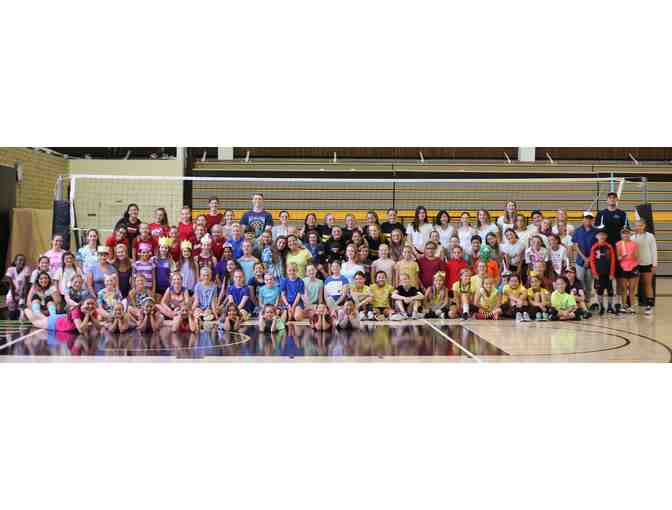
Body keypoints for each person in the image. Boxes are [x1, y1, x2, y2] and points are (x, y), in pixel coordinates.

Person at [25, 295, 101, 334]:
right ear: (82, 303)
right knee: (35, 322)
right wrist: (87, 315)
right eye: (88, 303)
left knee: (42, 318)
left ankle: (27, 309)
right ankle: (24, 308)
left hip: (62, 318)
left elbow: (99, 327)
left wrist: (91, 315)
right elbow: (81, 330)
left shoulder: (92, 311)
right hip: (56, 323)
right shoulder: (76, 310)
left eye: (92, 304)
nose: (90, 306)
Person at [572, 211, 598, 310]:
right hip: (580, 261)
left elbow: (596, 247)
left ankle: (587, 302)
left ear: (592, 220)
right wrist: (584, 258)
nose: (588, 220)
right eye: (586, 218)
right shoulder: (578, 231)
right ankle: (580, 303)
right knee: (580, 282)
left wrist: (589, 259)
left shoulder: (595, 231)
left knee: (588, 284)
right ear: (583, 219)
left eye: (590, 218)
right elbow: (576, 246)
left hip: (592, 262)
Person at [631, 218, 657, 315]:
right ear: (635, 226)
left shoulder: (650, 236)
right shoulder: (632, 237)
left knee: (648, 284)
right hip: (635, 265)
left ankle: (649, 305)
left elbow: (654, 251)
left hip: (647, 264)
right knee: (633, 285)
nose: (639, 227)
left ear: (644, 226)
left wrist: (654, 264)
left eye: (641, 225)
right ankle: (631, 306)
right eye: (637, 225)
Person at [590, 229, 617, 315]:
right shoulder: (594, 247)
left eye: (603, 235)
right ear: (596, 237)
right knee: (599, 291)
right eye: (599, 235)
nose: (601, 236)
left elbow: (613, 260)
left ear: (606, 236)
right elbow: (592, 261)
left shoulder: (609, 247)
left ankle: (610, 306)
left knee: (610, 291)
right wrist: (594, 273)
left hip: (608, 274)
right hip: (598, 274)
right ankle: (601, 307)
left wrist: (612, 273)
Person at [615, 226, 639, 314]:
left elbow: (637, 257)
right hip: (623, 268)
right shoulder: (618, 244)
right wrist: (622, 256)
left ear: (630, 234)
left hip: (633, 267)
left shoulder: (634, 244)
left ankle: (632, 306)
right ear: (621, 235)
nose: (625, 235)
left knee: (632, 288)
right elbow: (618, 258)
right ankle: (624, 306)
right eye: (623, 233)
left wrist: (633, 255)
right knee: (624, 288)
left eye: (627, 233)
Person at [4, 254, 31, 319]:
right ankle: (12, 320)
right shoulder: (10, 270)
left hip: (22, 293)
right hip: (12, 293)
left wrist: (23, 297)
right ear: (15, 261)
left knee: (21, 311)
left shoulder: (26, 269)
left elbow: (26, 285)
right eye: (20, 260)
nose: (22, 262)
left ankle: (19, 320)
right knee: (12, 309)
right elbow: (11, 286)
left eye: (24, 260)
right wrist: (14, 299)